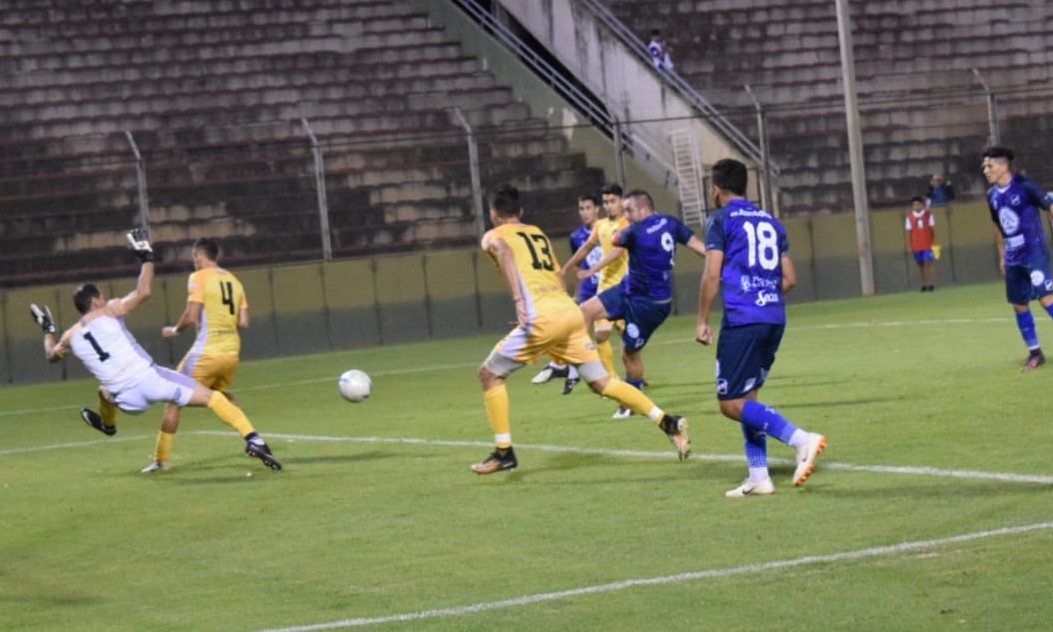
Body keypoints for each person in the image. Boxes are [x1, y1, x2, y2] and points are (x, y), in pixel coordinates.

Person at [472, 184, 690, 474]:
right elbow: (556, 274)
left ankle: (504, 452)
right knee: (603, 384)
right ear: (520, 211)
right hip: (568, 313)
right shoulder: (537, 232)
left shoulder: (494, 234)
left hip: (541, 317)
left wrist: (519, 301)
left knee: (489, 375)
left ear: (494, 214)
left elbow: (503, 251)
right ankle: (668, 422)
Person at [30, 229, 282, 471]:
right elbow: (144, 292)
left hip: (126, 399)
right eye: (102, 296)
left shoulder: (69, 337)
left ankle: (109, 425)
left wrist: (48, 330)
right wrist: (147, 258)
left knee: (104, 391)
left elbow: (51, 355)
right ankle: (255, 441)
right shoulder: (109, 310)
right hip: (149, 380)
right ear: (95, 301)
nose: (105, 299)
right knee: (212, 397)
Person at [695, 159, 825, 498]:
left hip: (743, 320)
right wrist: (763, 296)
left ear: (716, 188)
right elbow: (790, 279)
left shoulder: (720, 220)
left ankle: (801, 439)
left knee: (730, 403)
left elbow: (711, 274)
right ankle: (759, 477)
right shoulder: (771, 221)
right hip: (773, 318)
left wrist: (702, 320)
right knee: (749, 398)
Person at [577, 189, 706, 419]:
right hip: (627, 290)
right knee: (584, 311)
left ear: (645, 209)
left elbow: (616, 240)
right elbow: (698, 246)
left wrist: (616, 231)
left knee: (629, 353)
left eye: (629, 210)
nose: (625, 214)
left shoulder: (634, 231)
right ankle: (576, 364)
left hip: (650, 305)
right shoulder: (670, 222)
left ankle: (632, 401)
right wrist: (723, 264)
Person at [140, 237, 249, 473]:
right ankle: (252, 440)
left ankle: (160, 460)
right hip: (231, 351)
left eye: (194, 257)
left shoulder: (198, 278)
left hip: (207, 351)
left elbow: (190, 316)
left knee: (173, 400)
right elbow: (243, 321)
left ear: (199, 256)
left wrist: (174, 330)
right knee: (219, 397)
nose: (194, 262)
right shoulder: (234, 280)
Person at [982, 146, 1053, 371]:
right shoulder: (992, 195)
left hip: (1034, 254)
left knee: (1046, 299)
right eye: (984, 166)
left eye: (989, 165)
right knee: (1019, 305)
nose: (985, 170)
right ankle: (1035, 353)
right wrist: (1002, 253)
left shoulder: (1025, 186)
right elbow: (997, 224)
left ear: (1004, 166)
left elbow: (1049, 206)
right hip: (1014, 258)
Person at [562, 184, 630, 413]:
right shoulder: (600, 225)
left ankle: (633, 386)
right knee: (601, 336)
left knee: (630, 345)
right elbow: (584, 250)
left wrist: (592, 270)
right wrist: (564, 269)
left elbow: (618, 252)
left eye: (613, 201)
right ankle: (614, 384)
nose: (610, 205)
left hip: (626, 289)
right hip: (604, 291)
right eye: (607, 201)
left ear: (621, 201)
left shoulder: (626, 224)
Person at [531, 194, 603, 394]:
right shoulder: (576, 237)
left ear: (597, 209)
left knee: (616, 334)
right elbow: (578, 269)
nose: (585, 212)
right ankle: (570, 369)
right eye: (581, 208)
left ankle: (629, 378)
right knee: (584, 332)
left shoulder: (607, 229)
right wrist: (577, 293)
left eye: (588, 207)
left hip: (610, 288)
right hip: (590, 289)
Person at [905, 195, 937, 292]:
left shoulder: (928, 215)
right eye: (914, 205)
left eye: (918, 204)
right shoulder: (910, 217)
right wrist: (910, 246)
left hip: (928, 244)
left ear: (922, 205)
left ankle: (931, 283)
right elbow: (909, 232)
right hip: (916, 245)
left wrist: (934, 243)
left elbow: (933, 230)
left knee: (928, 263)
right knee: (920, 265)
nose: (916, 206)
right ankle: (923, 284)